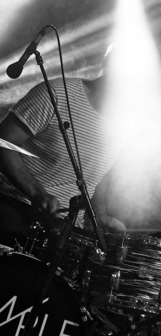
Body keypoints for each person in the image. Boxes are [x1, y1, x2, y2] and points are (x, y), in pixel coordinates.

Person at [0, 70, 124, 248]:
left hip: (64, 229)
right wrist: (37, 193)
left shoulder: (126, 122)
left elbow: (96, 174)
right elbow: (3, 142)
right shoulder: (57, 94)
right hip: (16, 209)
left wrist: (100, 213)